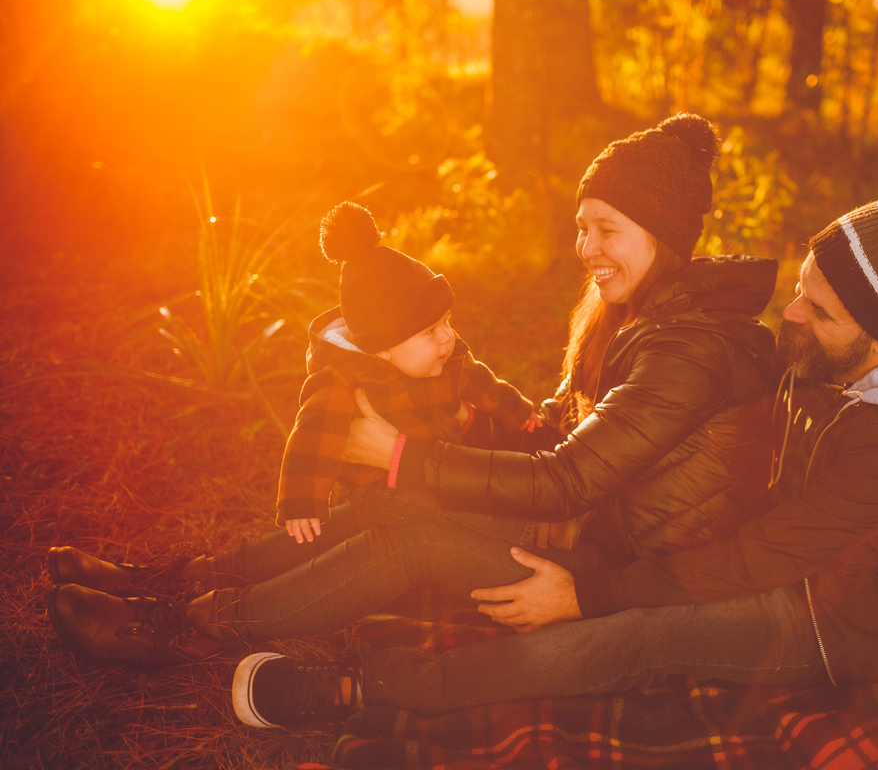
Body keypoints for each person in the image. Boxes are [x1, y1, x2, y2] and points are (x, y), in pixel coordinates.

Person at [229, 174, 878, 730]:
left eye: (820, 309)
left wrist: (586, 596)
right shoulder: (827, 358)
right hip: (739, 544)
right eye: (802, 288)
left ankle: (359, 691)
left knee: (638, 634)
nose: (793, 313)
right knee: (449, 535)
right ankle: (219, 593)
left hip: (834, 625)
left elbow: (763, 559)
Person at [45, 113, 781, 674]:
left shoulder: (689, 350)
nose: (587, 249)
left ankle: (185, 631)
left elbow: (568, 479)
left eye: (606, 230)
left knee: (412, 540)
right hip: (587, 530)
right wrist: (466, 416)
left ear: (661, 234)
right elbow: (563, 431)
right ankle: (176, 582)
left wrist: (400, 452)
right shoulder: (640, 319)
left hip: (627, 576)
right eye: (582, 228)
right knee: (386, 505)